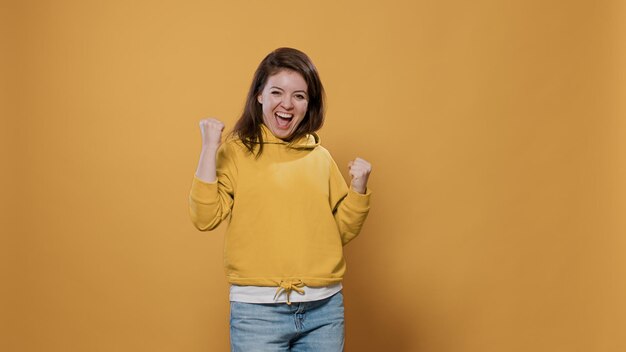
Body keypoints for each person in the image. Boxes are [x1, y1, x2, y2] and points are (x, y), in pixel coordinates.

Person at [189, 47, 372, 352]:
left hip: (324, 310)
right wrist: (209, 147)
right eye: (277, 92)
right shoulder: (236, 153)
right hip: (257, 312)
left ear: (308, 103)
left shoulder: (321, 158)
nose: (287, 104)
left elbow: (338, 232)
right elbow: (204, 217)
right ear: (259, 95)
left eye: (299, 96)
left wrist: (359, 190)